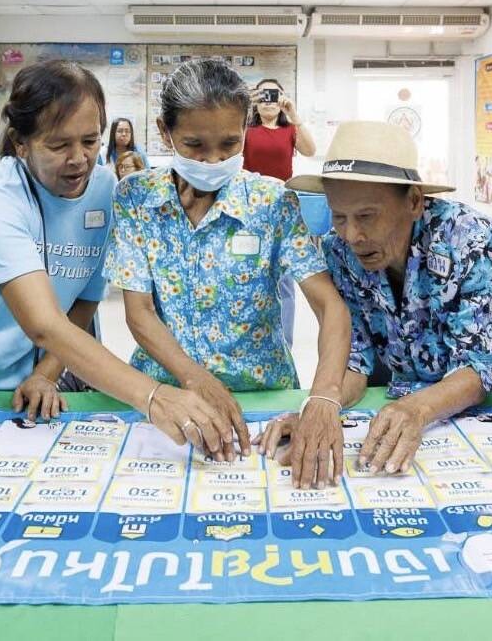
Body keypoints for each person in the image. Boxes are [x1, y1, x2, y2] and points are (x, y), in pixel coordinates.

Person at [0, 60, 239, 460]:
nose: (79, 158)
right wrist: (153, 397)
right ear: (21, 143)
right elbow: (44, 323)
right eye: (59, 145)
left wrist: (46, 373)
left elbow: (85, 299)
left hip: (23, 388)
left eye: (91, 141)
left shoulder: (102, 187)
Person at [259, 120, 492, 477]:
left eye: (367, 216)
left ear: (414, 201)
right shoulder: (338, 251)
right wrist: (322, 408)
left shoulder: (468, 239)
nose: (352, 235)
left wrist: (416, 410)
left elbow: (480, 366)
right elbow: (357, 358)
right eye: (339, 217)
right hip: (427, 400)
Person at [105, 60, 350, 485]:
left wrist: (324, 400)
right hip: (167, 397)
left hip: (263, 399)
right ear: (166, 133)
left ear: (245, 132)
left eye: (228, 144)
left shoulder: (271, 201)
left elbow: (329, 305)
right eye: (195, 144)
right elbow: (138, 310)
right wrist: (193, 378)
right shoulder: (136, 197)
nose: (212, 159)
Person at [243, 79, 317, 347]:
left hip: (284, 206)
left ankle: (283, 342)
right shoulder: (247, 130)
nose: (268, 100)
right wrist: (244, 108)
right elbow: (233, 150)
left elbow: (310, 150)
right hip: (251, 205)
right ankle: (252, 337)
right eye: (263, 95)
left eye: (274, 95)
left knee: (285, 278)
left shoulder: (289, 130)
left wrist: (295, 116)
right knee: (251, 272)